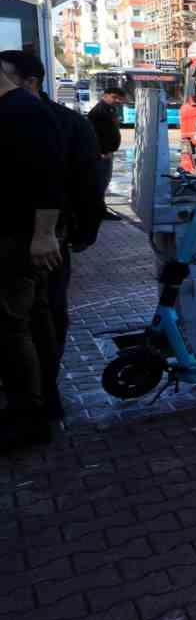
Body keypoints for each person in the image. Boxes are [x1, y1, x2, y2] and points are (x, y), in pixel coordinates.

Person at [1, 50, 103, 421]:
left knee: (42, 314)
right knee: (37, 315)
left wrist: (84, 229)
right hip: (38, 236)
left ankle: (40, 396)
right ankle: (42, 393)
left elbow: (82, 180)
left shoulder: (52, 120)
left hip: (45, 238)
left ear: (30, 81)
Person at [0, 54, 64, 452]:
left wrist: (44, 235)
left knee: (10, 327)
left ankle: (30, 417)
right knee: (27, 321)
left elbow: (50, 177)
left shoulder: (24, 112)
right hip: (16, 238)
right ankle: (39, 406)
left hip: (16, 239)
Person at [85, 83, 126, 216]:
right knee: (100, 182)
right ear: (105, 96)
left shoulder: (109, 110)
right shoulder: (99, 111)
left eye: (119, 99)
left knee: (104, 181)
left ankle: (99, 209)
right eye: (114, 97)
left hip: (107, 153)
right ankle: (98, 211)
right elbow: (95, 135)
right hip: (102, 154)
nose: (117, 101)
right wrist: (102, 152)